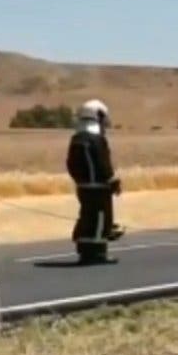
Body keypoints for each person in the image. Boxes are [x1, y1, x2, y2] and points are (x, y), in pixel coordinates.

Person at [66, 99, 124, 264]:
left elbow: (70, 164)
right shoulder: (96, 139)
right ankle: (97, 254)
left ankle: (85, 251)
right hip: (99, 187)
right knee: (100, 219)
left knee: (86, 216)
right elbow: (102, 162)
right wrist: (112, 181)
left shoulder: (76, 138)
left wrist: (80, 180)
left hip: (83, 187)